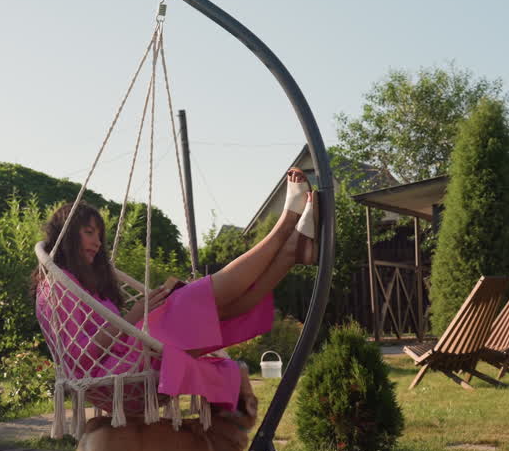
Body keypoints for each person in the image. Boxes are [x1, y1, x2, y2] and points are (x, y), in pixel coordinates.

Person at [33, 169, 318, 415]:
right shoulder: (57, 288)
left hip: (133, 355)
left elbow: (110, 334)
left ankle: (293, 251)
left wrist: (142, 314)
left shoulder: (82, 282)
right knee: (193, 300)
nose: (97, 242)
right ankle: (284, 229)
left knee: (223, 308)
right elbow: (79, 355)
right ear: (68, 234)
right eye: (88, 232)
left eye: (99, 235)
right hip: (114, 372)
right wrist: (134, 317)